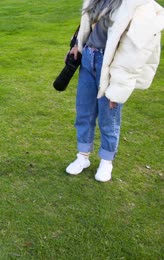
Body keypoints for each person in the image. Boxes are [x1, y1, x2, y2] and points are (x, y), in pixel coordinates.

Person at [66, 0, 164, 182]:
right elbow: (88, 23)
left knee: (108, 118)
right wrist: (78, 44)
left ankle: (106, 160)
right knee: (84, 112)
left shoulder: (141, 6)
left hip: (112, 65)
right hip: (88, 58)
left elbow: (133, 55)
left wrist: (118, 89)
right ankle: (83, 156)